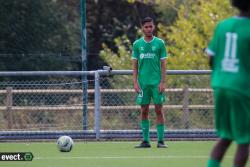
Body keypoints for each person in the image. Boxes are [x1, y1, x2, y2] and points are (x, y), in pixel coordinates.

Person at [205, 0, 250, 166]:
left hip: (220, 84)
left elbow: (211, 58)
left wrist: (223, 74)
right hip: (240, 88)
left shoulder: (223, 25)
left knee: (226, 136)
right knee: (244, 141)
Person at [132, 17, 168, 148]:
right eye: (146, 27)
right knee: (144, 110)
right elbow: (135, 66)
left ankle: (161, 141)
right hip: (143, 84)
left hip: (156, 83)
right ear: (142, 28)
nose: (148, 29)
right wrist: (135, 82)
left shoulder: (160, 43)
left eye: (150, 26)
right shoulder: (137, 44)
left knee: (159, 110)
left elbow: (163, 65)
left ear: (154, 27)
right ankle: (146, 141)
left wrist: (163, 82)